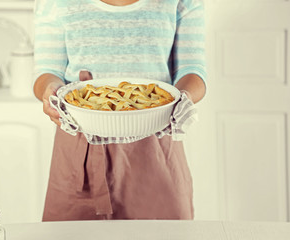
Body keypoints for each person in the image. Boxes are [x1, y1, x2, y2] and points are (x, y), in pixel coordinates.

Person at [33, 0, 206, 220]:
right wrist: (50, 91)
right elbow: (46, 71)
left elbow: (192, 70)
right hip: (78, 150)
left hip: (157, 145)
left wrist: (184, 98)